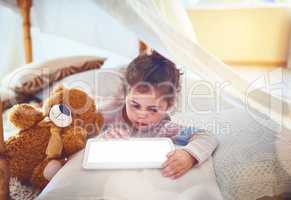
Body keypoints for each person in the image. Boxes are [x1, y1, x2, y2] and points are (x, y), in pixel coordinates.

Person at [99, 51, 218, 179]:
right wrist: (103, 139)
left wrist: (189, 155)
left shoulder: (163, 128)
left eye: (153, 109)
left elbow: (206, 136)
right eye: (135, 105)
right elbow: (81, 131)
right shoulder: (110, 113)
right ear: (125, 95)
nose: (141, 114)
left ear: (169, 106)